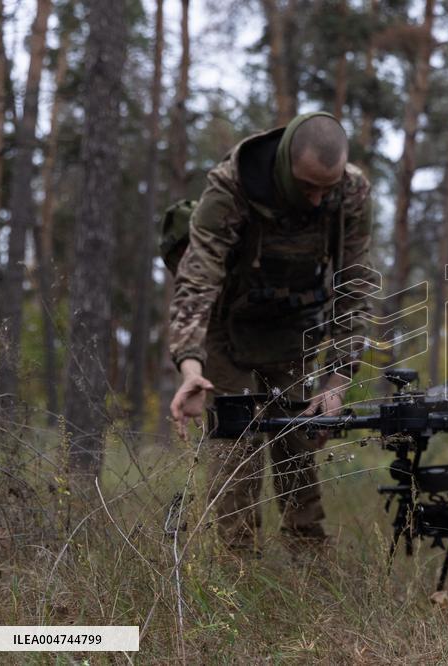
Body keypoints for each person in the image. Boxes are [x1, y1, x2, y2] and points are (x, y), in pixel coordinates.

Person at [167, 112, 373, 555]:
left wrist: (337, 383)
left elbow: (355, 288)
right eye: (307, 188)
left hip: (294, 327)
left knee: (298, 446)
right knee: (236, 453)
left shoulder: (351, 191)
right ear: (283, 169)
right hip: (229, 329)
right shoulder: (231, 186)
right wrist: (190, 367)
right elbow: (196, 280)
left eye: (326, 189)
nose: (318, 201)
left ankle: (310, 575)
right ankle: (238, 577)